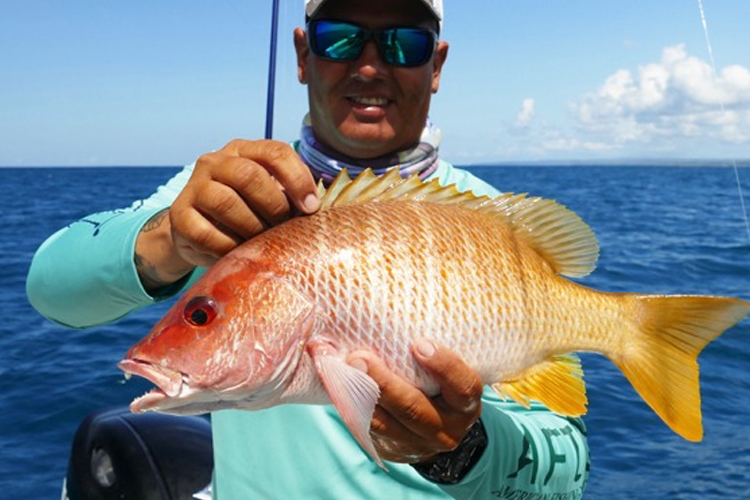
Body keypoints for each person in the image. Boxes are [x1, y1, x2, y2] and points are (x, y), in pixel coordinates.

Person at [28, 0, 590, 498]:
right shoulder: (231, 197)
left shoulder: (490, 220)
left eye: (404, 42)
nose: (370, 65)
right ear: (303, 54)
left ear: (436, 65)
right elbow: (51, 289)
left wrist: (465, 451)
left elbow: (569, 474)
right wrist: (169, 240)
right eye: (340, 37)